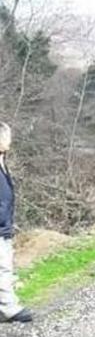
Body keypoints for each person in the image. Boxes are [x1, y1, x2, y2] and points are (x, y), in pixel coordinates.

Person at [0, 122, 33, 323]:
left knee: (4, 267)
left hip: (4, 226)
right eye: (6, 136)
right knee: (3, 268)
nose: (9, 140)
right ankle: (8, 308)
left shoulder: (2, 164)